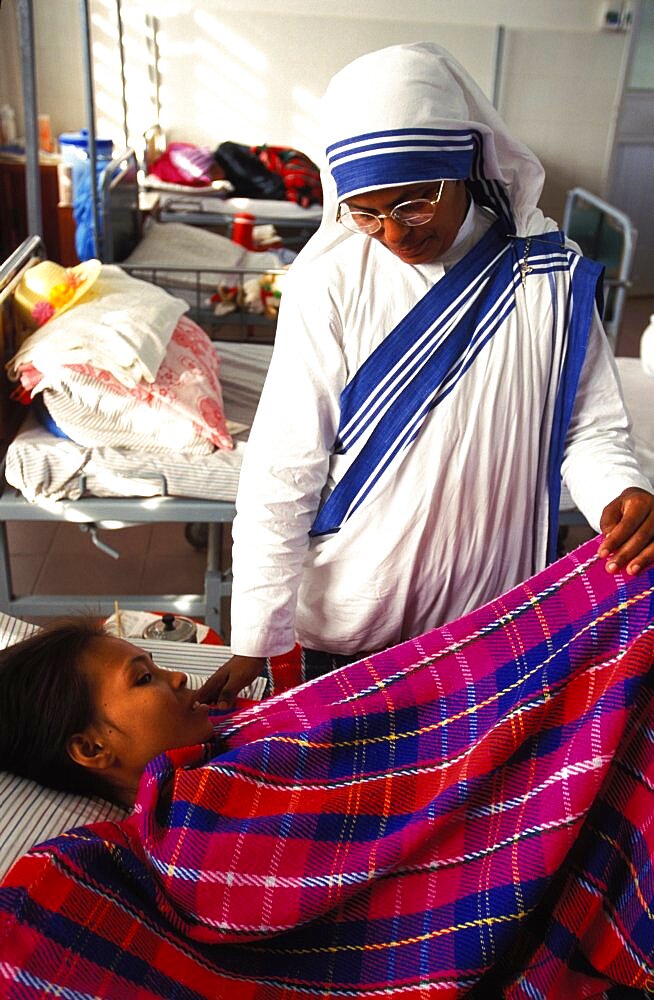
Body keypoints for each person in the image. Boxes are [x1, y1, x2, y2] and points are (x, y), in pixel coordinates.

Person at [195, 41, 654, 709]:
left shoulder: (547, 274)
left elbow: (589, 426)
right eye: (366, 212)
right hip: (356, 614)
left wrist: (621, 486)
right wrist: (256, 631)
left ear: (460, 167)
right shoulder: (330, 279)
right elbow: (284, 465)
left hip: (489, 619)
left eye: (413, 205)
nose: (393, 234)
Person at [0, 618, 214, 808]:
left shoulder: (225, 715)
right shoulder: (198, 835)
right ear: (92, 748)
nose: (179, 676)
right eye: (144, 678)